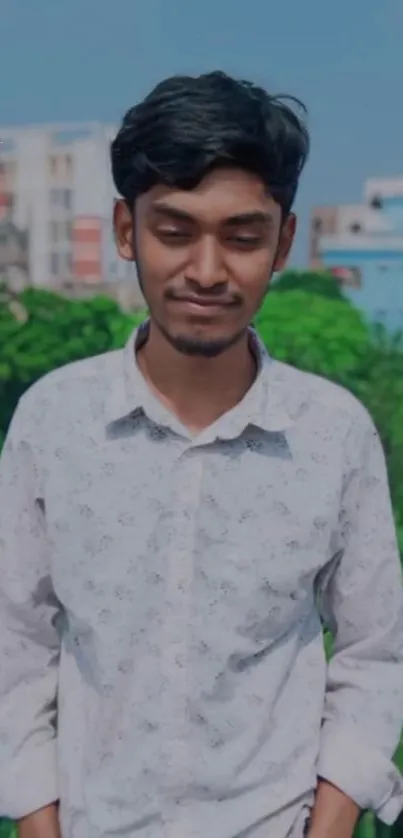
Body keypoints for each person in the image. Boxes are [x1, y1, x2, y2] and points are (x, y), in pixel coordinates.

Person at [0, 72, 402, 838]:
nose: (208, 271)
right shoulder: (53, 421)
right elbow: (13, 646)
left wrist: (330, 822)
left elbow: (375, 653)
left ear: (283, 242)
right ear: (127, 231)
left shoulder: (332, 433)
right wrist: (37, 820)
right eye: (175, 232)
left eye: (243, 237)